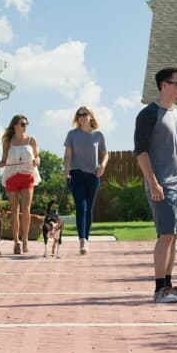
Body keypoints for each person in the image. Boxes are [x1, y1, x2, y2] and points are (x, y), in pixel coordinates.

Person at [135, 67, 177, 303]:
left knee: (175, 236)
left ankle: (169, 285)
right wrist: (153, 182)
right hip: (162, 185)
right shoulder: (148, 114)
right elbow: (141, 152)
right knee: (166, 235)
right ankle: (159, 289)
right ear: (164, 85)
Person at [0, 114, 40, 254]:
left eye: (26, 123)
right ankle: (16, 242)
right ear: (15, 125)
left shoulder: (31, 140)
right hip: (12, 177)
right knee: (14, 209)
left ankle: (25, 240)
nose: (24, 126)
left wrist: (37, 160)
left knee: (26, 208)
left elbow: (37, 157)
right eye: (22, 124)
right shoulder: (8, 141)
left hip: (27, 176)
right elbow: (4, 160)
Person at [63, 106, 108, 255]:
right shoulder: (72, 134)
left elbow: (105, 153)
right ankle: (82, 240)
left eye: (84, 114)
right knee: (81, 206)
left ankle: (86, 239)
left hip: (93, 176)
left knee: (89, 208)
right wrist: (67, 171)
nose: (81, 116)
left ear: (90, 116)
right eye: (79, 114)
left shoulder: (98, 135)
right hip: (76, 174)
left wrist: (102, 165)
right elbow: (68, 155)